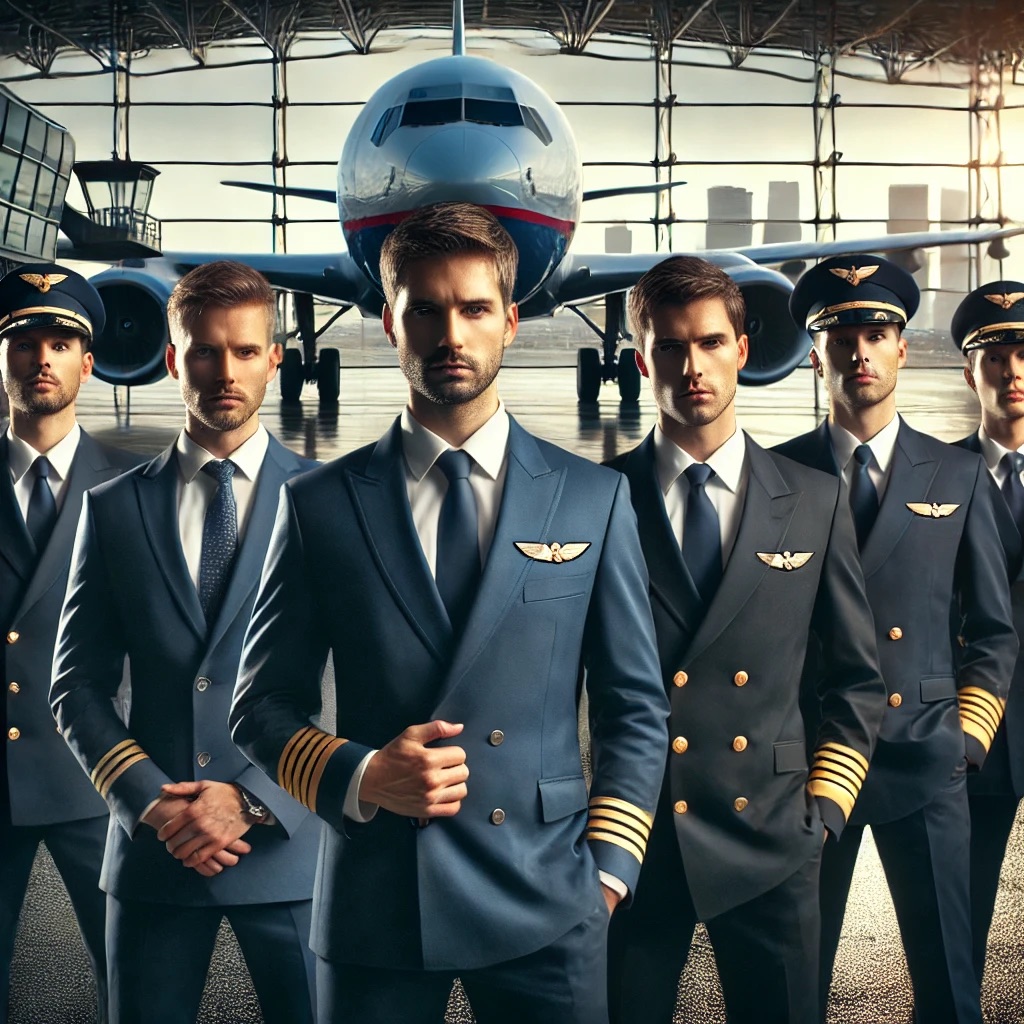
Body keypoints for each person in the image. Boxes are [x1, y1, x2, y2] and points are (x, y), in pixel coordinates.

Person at [228, 202, 669, 1024]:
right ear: (390, 322)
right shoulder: (320, 504)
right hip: (378, 901)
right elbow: (259, 707)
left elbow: (635, 706)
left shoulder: (593, 498)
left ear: (512, 320)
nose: (451, 335)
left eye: (474, 308)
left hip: (548, 898)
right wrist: (362, 776)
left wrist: (608, 875)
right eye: (425, 310)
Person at [604, 255, 885, 1024]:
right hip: (636, 840)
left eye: (710, 343)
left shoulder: (815, 500)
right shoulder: (598, 498)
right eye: (669, 347)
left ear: (743, 350)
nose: (692, 367)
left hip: (773, 839)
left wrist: (823, 812)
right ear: (642, 361)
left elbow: (856, 680)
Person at [50, 260, 320, 1024]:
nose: (225, 372)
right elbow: (77, 686)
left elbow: (364, 681)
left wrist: (254, 799)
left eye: (245, 351)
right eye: (205, 351)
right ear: (173, 359)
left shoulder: (333, 499)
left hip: (293, 851)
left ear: (274, 359)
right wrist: (151, 803)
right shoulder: (113, 508)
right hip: (155, 853)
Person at [775, 254, 1017, 1024]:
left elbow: (992, 629)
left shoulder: (955, 474)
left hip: (927, 755)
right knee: (793, 989)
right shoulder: (776, 475)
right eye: (841, 338)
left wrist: (965, 739)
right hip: (814, 765)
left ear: (903, 349)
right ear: (815, 355)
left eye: (877, 335)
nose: (860, 353)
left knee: (950, 989)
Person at [0, 263, 140, 1024]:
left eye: (60, 344)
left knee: (131, 976)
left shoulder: (136, 488)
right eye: (24, 343)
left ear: (89, 365)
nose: (41, 359)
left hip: (100, 774)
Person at [952, 283, 1024, 985]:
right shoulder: (934, 477)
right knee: (958, 925)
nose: (1013, 371)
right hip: (979, 734)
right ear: (969, 371)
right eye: (995, 356)